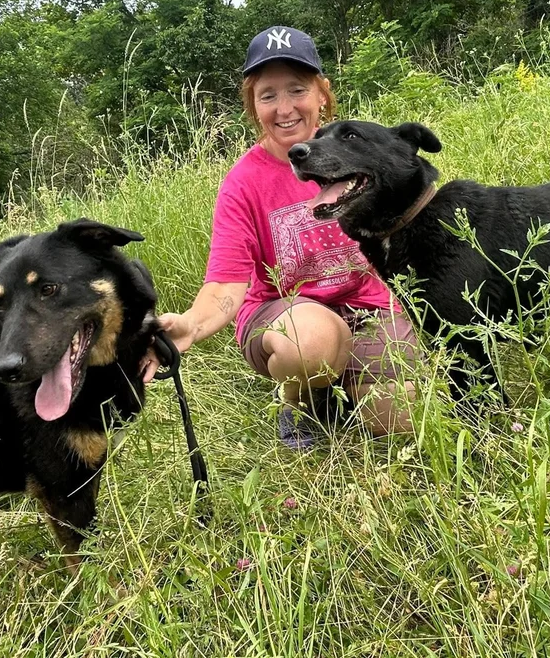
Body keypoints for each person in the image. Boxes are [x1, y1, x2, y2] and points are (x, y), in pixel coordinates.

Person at [141, 26, 419, 450]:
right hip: (286, 315)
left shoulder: (366, 156)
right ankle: (301, 401)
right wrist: (192, 326)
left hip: (368, 308)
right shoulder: (244, 183)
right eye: (268, 95)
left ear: (322, 93)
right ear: (253, 105)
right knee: (313, 342)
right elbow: (227, 281)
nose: (284, 108)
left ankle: (340, 390)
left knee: (401, 424)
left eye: (297, 89)